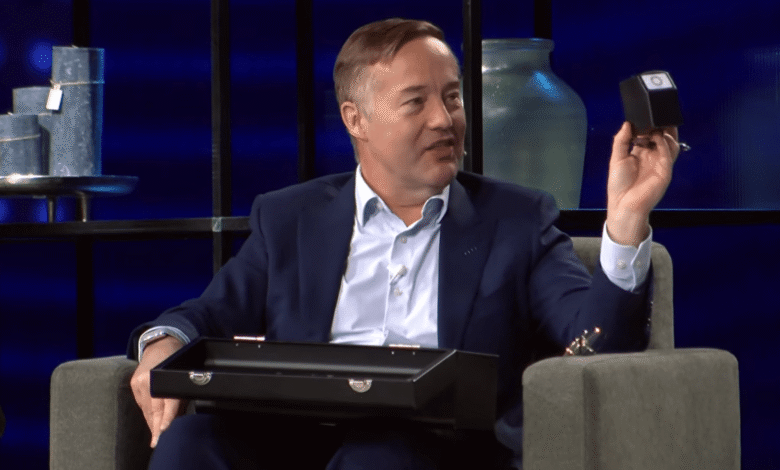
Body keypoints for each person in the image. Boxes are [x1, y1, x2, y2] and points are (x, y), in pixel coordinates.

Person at [129, 18, 680, 470]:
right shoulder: (290, 218)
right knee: (189, 443)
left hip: (430, 449)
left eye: (452, 97)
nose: (445, 120)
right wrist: (160, 342)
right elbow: (207, 312)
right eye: (416, 103)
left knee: (378, 457)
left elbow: (594, 346)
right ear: (356, 120)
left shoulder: (516, 220)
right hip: (293, 439)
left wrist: (626, 219)